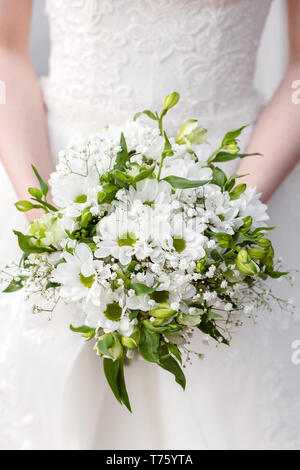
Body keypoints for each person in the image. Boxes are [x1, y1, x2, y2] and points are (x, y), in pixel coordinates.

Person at [0, 0, 299, 450]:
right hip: (55, 181)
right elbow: (5, 47)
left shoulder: (232, 213)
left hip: (239, 183)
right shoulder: (49, 211)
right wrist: (46, 219)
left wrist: (228, 218)